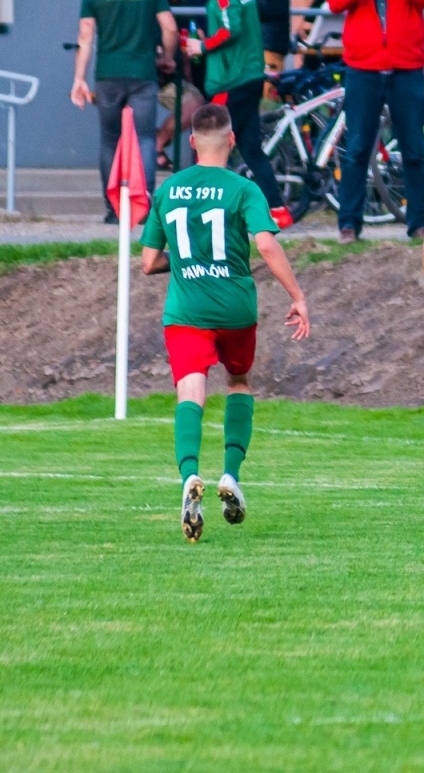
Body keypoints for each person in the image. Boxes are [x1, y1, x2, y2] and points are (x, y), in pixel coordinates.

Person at [139, 103, 311, 542]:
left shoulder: (170, 189)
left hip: (188, 309)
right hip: (235, 307)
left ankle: (189, 476)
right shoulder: (243, 189)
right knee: (238, 382)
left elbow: (147, 261)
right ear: (232, 141)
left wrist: (186, 259)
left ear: (192, 141)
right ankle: (231, 474)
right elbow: (267, 245)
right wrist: (297, 296)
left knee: (190, 388)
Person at [325, 0, 424, 242]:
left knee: (414, 147)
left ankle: (419, 222)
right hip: (364, 68)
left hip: (406, 67)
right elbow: (335, 1)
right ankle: (349, 224)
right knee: (358, 147)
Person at [185, 0, 292, 228]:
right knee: (250, 148)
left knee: (208, 141)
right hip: (250, 75)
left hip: (232, 80)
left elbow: (231, 28)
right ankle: (278, 211)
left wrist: (202, 47)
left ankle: (201, 211)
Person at [73, 0, 177, 222]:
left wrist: (79, 78)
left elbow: (85, 36)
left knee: (110, 139)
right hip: (143, 74)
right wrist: (167, 57)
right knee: (145, 138)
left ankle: (113, 209)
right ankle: (142, 208)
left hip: (108, 76)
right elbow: (169, 28)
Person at [139, 0, 204, 168]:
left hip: (169, 80)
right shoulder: (135, 7)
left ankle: (157, 144)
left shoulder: (178, 6)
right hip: (139, 79)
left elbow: (191, 40)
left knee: (196, 105)